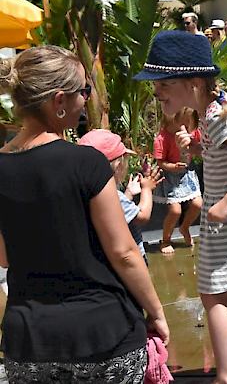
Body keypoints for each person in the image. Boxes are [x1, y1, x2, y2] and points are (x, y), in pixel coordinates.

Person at [0, 45, 169, 382]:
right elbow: (123, 253)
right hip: (103, 334)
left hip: (30, 339)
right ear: (59, 101)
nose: (85, 101)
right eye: (83, 91)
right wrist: (156, 311)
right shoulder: (86, 162)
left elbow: (4, 258)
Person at [134, 31, 227, 384]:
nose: (156, 91)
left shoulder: (217, 116)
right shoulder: (215, 108)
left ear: (194, 82)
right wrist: (198, 150)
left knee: (213, 293)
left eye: (163, 83)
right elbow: (226, 151)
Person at [79, 129, 164, 264]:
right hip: (130, 260)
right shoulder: (113, 196)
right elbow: (142, 216)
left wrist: (128, 195)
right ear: (118, 165)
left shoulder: (85, 194)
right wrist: (147, 189)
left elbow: (116, 213)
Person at [152, 107, 203, 254]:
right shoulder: (162, 138)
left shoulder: (192, 133)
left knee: (198, 204)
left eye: (189, 126)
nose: (186, 129)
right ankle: (166, 240)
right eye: (184, 125)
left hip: (187, 173)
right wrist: (173, 166)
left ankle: (185, 227)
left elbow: (200, 147)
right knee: (175, 211)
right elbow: (160, 162)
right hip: (170, 176)